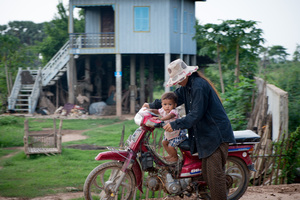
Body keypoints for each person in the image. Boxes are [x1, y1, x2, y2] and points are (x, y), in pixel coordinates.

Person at [143, 59, 236, 200]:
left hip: (216, 135)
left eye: (179, 79)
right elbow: (171, 99)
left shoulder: (199, 86)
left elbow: (196, 115)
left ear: (186, 75)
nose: (177, 82)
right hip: (204, 134)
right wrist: (150, 105)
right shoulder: (186, 87)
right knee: (205, 173)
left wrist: (175, 124)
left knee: (214, 177)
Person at [147, 92, 187, 162]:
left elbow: (170, 116)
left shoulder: (174, 112)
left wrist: (161, 119)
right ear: (162, 104)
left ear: (175, 105)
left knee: (171, 146)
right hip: (170, 132)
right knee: (164, 143)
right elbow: (157, 111)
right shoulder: (163, 110)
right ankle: (171, 155)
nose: (167, 106)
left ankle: (175, 157)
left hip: (178, 133)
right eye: (165, 104)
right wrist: (149, 110)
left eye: (170, 104)